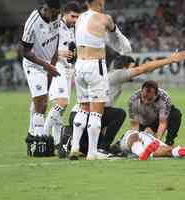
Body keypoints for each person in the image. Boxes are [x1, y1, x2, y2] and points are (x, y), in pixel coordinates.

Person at [62, 51, 185, 157]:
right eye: (131, 67)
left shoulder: (109, 78)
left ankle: (75, 142)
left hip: (78, 116)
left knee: (85, 148)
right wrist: (170, 60)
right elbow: (144, 68)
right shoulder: (117, 75)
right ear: (125, 67)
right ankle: (102, 148)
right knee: (119, 114)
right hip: (87, 115)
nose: (133, 70)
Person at [69, 0, 131, 160]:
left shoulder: (80, 17)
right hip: (94, 66)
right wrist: (125, 48)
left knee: (83, 107)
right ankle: (92, 152)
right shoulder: (104, 18)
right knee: (97, 111)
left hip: (79, 66)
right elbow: (116, 35)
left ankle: (75, 147)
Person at [22, 0, 61, 156]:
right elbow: (25, 52)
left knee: (39, 99)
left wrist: (53, 60)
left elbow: (56, 39)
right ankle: (38, 136)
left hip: (48, 64)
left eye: (58, 13)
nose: (57, 16)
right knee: (42, 101)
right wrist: (47, 66)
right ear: (47, 9)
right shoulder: (32, 23)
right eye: (55, 13)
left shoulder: (56, 17)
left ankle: (32, 132)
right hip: (34, 65)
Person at [44, 1, 82, 148]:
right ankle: (43, 134)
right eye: (73, 16)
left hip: (67, 69)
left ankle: (56, 141)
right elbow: (44, 45)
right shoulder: (55, 25)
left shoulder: (72, 29)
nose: (75, 20)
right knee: (62, 102)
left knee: (63, 106)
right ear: (65, 13)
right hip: (55, 67)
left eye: (77, 17)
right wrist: (60, 53)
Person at [128, 80, 182, 146]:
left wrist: (157, 142)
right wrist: (135, 139)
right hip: (143, 120)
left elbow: (162, 123)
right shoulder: (133, 100)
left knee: (175, 114)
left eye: (149, 99)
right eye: (144, 97)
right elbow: (134, 124)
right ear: (141, 92)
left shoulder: (164, 99)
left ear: (156, 95)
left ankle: (169, 142)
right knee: (133, 139)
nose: (146, 102)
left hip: (158, 119)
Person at [117, 129, 185, 160]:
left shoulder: (126, 138)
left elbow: (115, 148)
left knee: (135, 140)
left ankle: (144, 154)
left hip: (135, 137)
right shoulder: (147, 133)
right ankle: (181, 151)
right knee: (167, 150)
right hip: (152, 140)